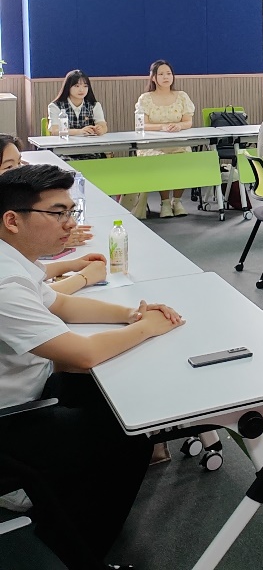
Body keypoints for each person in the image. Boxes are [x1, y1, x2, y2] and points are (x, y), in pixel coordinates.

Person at [0, 164, 183, 570]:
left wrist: (132, 315)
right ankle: (76, 556)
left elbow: (60, 304)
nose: (69, 225)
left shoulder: (14, 260)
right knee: (132, 434)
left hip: (31, 393)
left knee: (113, 398)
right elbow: (81, 355)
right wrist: (148, 328)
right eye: (57, 213)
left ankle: (60, 499)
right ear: (12, 220)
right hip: (10, 421)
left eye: (71, 212)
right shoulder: (5, 283)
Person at [133, 59, 195, 219]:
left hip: (177, 142)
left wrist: (179, 126)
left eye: (168, 73)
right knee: (161, 161)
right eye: (161, 74)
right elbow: (142, 125)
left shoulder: (182, 96)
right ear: (153, 78)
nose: (165, 77)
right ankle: (165, 202)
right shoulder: (145, 99)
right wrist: (162, 127)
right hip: (153, 144)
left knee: (185, 158)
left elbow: (188, 121)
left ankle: (177, 201)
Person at [47, 70, 107, 138]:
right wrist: (80, 132)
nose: (81, 90)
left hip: (90, 143)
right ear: (68, 87)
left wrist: (100, 130)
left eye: (85, 86)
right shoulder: (55, 106)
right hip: (64, 143)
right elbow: (55, 131)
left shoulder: (94, 105)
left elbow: (103, 126)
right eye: (77, 86)